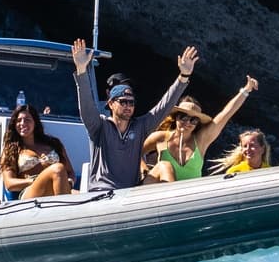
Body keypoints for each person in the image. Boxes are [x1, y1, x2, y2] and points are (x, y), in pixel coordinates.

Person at [71, 37, 199, 195]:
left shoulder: (141, 126)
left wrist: (183, 76)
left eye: (131, 102)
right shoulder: (98, 126)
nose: (128, 106)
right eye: (123, 102)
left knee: (164, 166)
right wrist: (82, 70)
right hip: (102, 194)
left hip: (131, 195)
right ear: (111, 103)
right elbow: (86, 105)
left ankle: (174, 213)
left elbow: (164, 106)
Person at [144, 76, 258, 183]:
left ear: (197, 123)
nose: (187, 122)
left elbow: (226, 114)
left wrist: (246, 90)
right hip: (158, 194)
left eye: (193, 120)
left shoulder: (201, 141)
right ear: (175, 117)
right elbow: (133, 152)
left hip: (188, 198)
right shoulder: (160, 137)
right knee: (164, 166)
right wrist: (143, 170)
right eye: (183, 117)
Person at [0, 100, 75, 200]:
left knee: (89, 196)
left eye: (27, 120)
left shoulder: (54, 144)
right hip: (29, 192)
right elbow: (9, 183)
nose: (22, 123)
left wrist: (69, 182)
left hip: (56, 188)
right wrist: (34, 180)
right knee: (58, 169)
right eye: (19, 120)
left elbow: (70, 172)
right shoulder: (11, 150)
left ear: (35, 123)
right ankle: (63, 214)